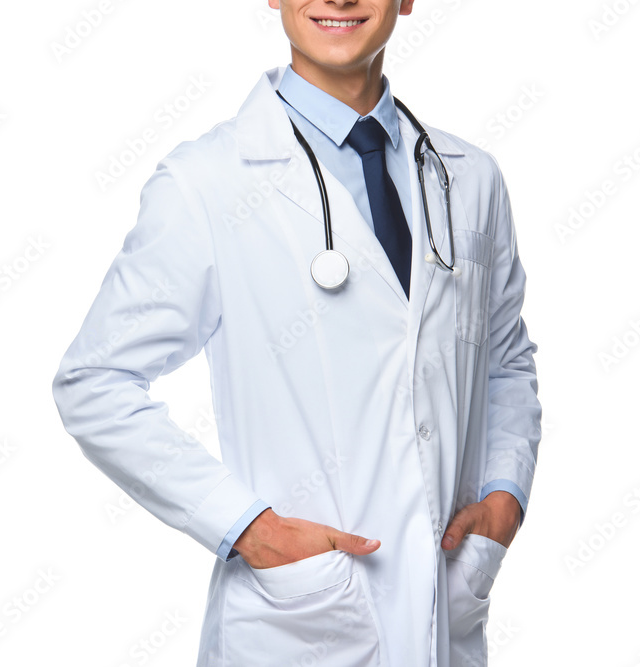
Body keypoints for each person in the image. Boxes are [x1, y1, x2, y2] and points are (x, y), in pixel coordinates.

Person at [52, 1, 542, 664]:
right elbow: (95, 381)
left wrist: (504, 497)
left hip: (443, 614)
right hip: (299, 620)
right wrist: (246, 525)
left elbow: (505, 359)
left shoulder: (470, 177)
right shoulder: (208, 182)